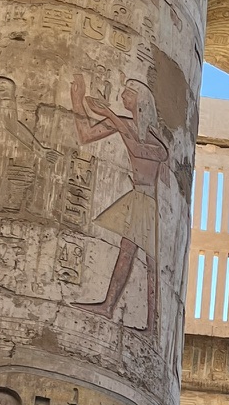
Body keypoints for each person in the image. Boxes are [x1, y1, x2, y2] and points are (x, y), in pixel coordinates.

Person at [71, 75, 168, 331]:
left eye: (128, 94)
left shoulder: (155, 139)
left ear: (141, 103)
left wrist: (111, 114)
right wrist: (77, 101)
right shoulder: (123, 124)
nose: (123, 97)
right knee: (127, 253)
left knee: (151, 263)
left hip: (148, 200)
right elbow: (85, 134)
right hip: (136, 197)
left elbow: (139, 149)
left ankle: (151, 325)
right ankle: (110, 307)